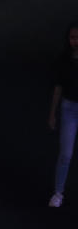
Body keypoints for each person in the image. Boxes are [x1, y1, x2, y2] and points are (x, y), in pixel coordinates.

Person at [48, 21, 78, 208]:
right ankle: (58, 192)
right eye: (73, 38)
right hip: (69, 108)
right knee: (65, 153)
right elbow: (58, 87)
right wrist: (52, 113)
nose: (76, 41)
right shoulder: (63, 60)